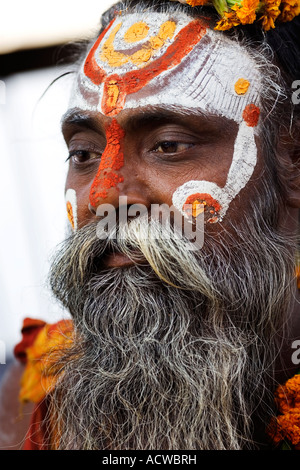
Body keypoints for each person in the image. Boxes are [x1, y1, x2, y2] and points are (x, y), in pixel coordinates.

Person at [1, 0, 300, 451]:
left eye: (169, 145)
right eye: (84, 154)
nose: (104, 197)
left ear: (292, 162)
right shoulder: (34, 390)